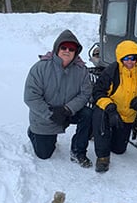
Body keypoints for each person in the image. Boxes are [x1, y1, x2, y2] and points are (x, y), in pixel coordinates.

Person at [24, 29, 93, 167]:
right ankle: (32, 131)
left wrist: (68, 109)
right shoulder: (40, 68)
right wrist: (51, 113)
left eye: (71, 48)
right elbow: (30, 97)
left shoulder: (81, 70)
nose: (67, 51)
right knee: (44, 154)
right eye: (64, 47)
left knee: (88, 114)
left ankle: (78, 151)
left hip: (68, 112)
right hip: (46, 115)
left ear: (76, 52)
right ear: (57, 48)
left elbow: (85, 93)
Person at [92, 40, 137, 173]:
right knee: (99, 114)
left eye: (133, 58)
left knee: (118, 150)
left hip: (127, 116)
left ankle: (112, 135)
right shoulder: (111, 71)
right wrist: (110, 108)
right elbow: (98, 92)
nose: (130, 62)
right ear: (120, 58)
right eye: (126, 58)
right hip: (109, 111)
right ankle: (102, 157)